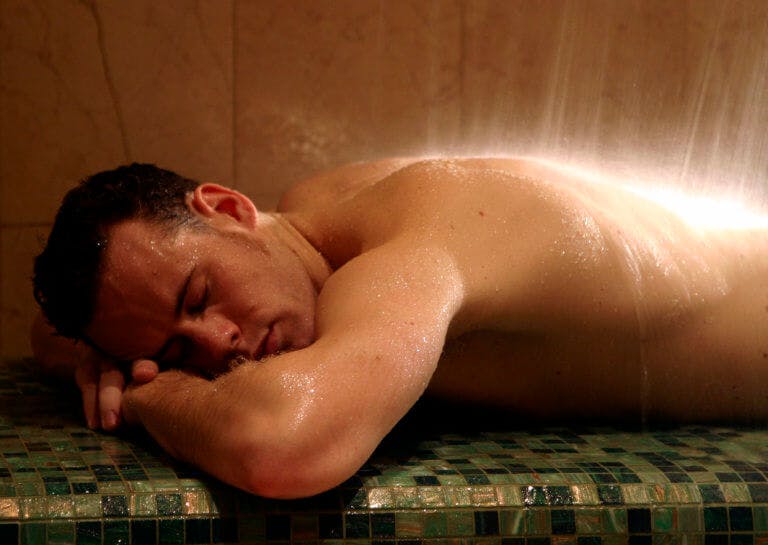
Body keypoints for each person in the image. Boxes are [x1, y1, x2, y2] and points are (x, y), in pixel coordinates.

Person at [31, 157, 768, 498]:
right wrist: (88, 355)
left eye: (202, 295)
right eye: (176, 350)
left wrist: (152, 392)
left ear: (227, 208)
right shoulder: (310, 215)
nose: (217, 343)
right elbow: (47, 333)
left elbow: (286, 447)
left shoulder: (409, 245)